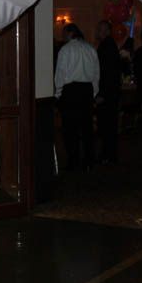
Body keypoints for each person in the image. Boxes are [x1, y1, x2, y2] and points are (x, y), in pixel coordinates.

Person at [54, 23, 99, 171]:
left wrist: (58, 93)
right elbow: (96, 74)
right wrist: (93, 93)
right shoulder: (90, 49)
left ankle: (73, 162)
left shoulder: (66, 50)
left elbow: (61, 73)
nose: (62, 37)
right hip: (86, 90)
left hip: (71, 91)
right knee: (87, 128)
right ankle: (89, 161)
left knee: (70, 129)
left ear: (69, 33)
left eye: (63, 33)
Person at [95, 20, 121, 165]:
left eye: (99, 29)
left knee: (107, 126)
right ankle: (108, 154)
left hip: (108, 94)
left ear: (105, 30)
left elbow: (107, 73)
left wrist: (102, 94)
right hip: (110, 93)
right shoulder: (109, 46)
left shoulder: (107, 47)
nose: (97, 31)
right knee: (108, 126)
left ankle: (108, 155)